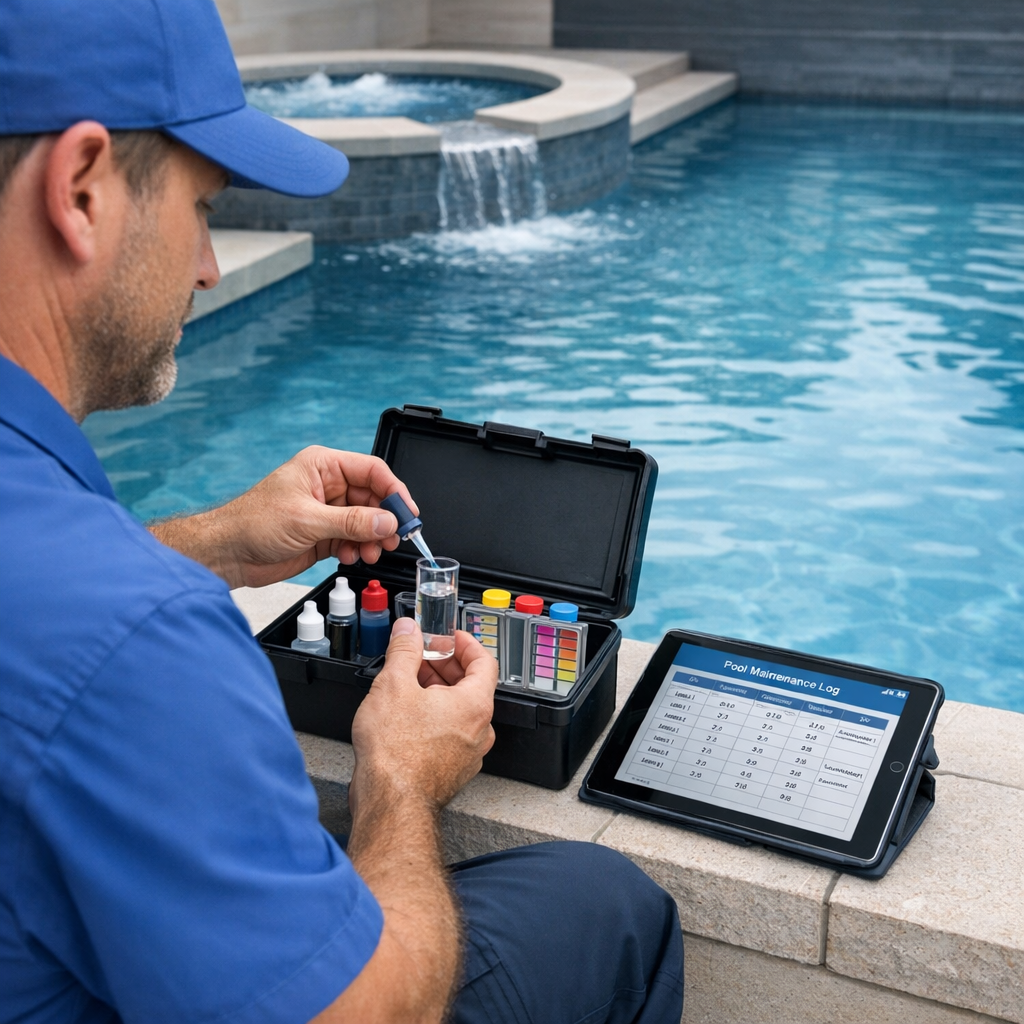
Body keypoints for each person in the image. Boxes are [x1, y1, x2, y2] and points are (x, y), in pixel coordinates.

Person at [0, 1, 685, 1022]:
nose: (208, 267)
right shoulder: (136, 637)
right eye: (205, 207)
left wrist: (210, 546)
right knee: (611, 906)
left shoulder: (68, 569)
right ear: (83, 188)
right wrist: (400, 780)